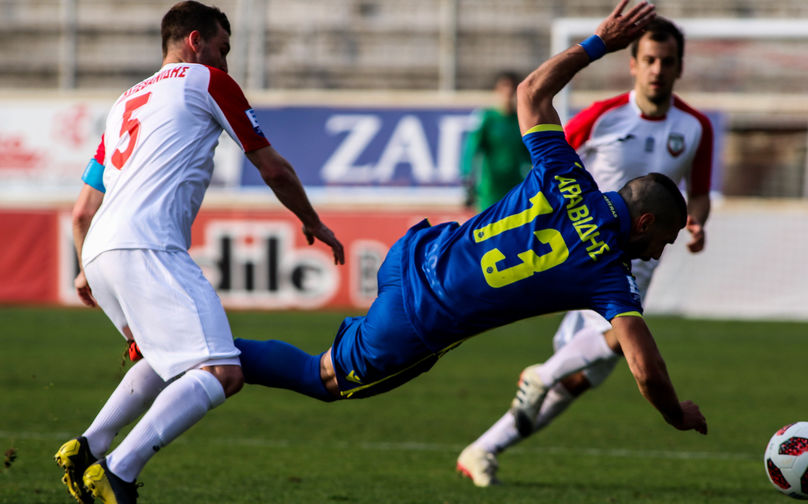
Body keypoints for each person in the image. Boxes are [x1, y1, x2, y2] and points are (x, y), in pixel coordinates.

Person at [232, 0, 707, 470]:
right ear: (644, 224)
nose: (659, 250)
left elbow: (531, 93)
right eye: (663, 240)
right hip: (420, 316)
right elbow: (646, 367)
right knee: (325, 379)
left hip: (413, 250)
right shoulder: (610, 276)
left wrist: (598, 42)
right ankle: (199, 353)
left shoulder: (568, 174)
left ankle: (188, 354)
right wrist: (675, 413)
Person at [54, 2, 344, 504]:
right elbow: (272, 167)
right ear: (195, 41)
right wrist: (312, 220)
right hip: (148, 245)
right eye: (223, 49)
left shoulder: (124, 101)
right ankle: (117, 472)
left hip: (100, 247)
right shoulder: (207, 81)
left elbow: (81, 210)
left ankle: (88, 448)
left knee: (166, 358)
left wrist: (86, 268)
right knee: (220, 372)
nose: (226, 63)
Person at [457, 15, 713, 487]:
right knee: (622, 342)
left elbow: (698, 193)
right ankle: (541, 375)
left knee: (578, 381)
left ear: (679, 68)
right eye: (649, 60)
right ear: (633, 65)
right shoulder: (603, 115)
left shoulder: (695, 127)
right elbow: (547, 160)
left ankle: (483, 448)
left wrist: (697, 220)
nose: (658, 69)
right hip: (588, 256)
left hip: (645, 261)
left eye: (668, 62)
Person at [461, 71, 533, 211]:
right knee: (487, 228)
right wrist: (467, 176)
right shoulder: (486, 119)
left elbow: (528, 153)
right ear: (497, 90)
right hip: (490, 187)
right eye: (504, 87)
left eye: (512, 88)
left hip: (514, 184)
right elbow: (472, 148)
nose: (508, 92)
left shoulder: (521, 120)